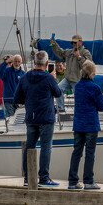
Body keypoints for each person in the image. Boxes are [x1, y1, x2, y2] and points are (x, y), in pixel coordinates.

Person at [13, 50, 63, 187]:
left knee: (30, 146)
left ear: (34, 62)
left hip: (31, 118)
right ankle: (44, 178)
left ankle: (27, 178)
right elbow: (58, 93)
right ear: (46, 63)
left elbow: (17, 98)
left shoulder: (24, 77)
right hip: (46, 118)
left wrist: (29, 98)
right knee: (46, 147)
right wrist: (53, 78)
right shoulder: (48, 78)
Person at [68, 59, 103, 190]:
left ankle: (72, 181)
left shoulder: (78, 86)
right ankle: (88, 181)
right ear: (93, 72)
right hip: (90, 124)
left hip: (78, 123)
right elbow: (102, 106)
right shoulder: (94, 87)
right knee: (90, 153)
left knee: (77, 152)